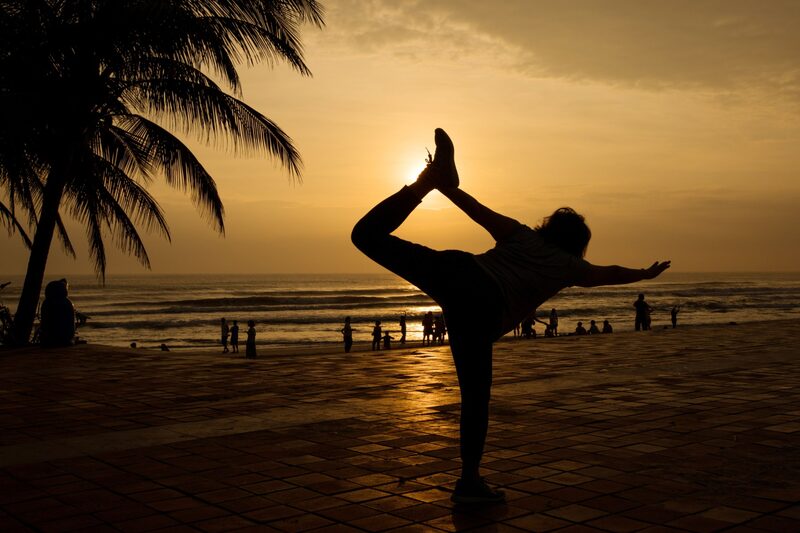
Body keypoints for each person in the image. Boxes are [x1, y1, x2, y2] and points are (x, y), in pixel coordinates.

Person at [351, 127, 670, 504]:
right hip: (480, 310)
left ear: (549, 228)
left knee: (365, 236)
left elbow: (477, 211)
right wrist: (644, 274)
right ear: (578, 244)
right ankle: (469, 481)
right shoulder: (570, 267)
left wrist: (444, 186)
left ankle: (424, 182)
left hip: (459, 273)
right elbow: (610, 272)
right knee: (475, 399)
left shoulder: (522, 236)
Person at [40, 279, 76, 347]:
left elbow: (44, 323)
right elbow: (71, 324)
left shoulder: (46, 303)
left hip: (49, 340)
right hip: (64, 339)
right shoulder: (67, 303)